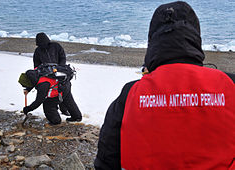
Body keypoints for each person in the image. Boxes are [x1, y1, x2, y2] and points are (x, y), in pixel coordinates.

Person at [94, 1, 235, 170]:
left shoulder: (130, 94)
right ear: (196, 38)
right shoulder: (230, 85)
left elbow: (106, 160)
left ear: (152, 41)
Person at [32, 32, 70, 116]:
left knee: (62, 91)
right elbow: (36, 65)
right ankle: (54, 109)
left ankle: (64, 109)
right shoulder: (38, 51)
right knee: (51, 94)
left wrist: (60, 68)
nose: (42, 45)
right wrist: (41, 74)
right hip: (47, 76)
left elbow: (62, 57)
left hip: (59, 72)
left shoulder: (56, 46)